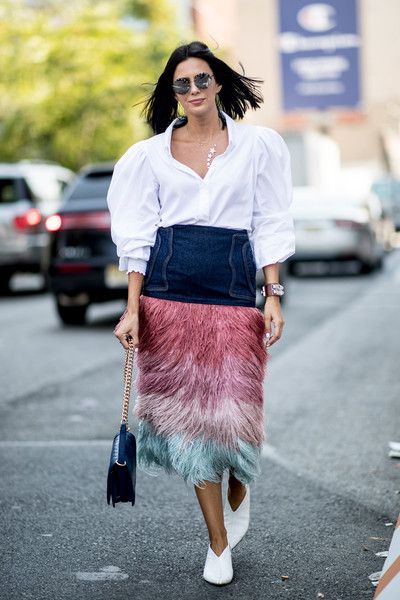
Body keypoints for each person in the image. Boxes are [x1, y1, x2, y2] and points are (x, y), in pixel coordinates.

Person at [107, 40, 295, 586]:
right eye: (182, 83)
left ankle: (239, 480)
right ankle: (217, 544)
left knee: (234, 421)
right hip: (168, 296)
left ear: (219, 83)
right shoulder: (148, 157)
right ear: (173, 93)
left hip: (232, 296)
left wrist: (273, 293)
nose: (193, 90)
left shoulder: (258, 146)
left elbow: (270, 221)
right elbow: (138, 237)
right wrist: (132, 310)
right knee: (193, 427)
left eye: (202, 79)